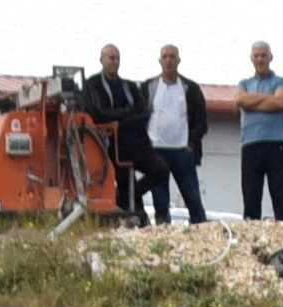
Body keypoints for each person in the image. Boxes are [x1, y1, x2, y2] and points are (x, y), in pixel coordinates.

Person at [76, 45, 149, 221]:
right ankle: (133, 213)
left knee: (160, 169)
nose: (114, 61)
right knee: (119, 178)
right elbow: (97, 113)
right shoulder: (92, 85)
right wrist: (125, 113)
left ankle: (129, 206)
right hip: (103, 143)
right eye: (111, 58)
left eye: (117, 58)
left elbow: (143, 112)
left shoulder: (129, 86)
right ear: (101, 59)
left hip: (130, 142)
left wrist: (118, 118)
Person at [145, 42, 210, 224]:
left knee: (193, 198)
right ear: (159, 60)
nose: (169, 60)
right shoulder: (149, 88)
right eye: (165, 56)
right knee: (160, 200)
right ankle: (162, 232)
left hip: (182, 151)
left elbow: (201, 120)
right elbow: (140, 118)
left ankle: (200, 230)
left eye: (172, 57)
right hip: (156, 151)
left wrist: (192, 143)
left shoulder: (190, 88)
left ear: (178, 60)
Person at [237, 40, 283, 219]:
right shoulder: (244, 83)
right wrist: (268, 99)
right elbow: (240, 100)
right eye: (256, 55)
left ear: (270, 57)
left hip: (277, 144)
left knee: (281, 194)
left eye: (263, 55)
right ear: (251, 59)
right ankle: (250, 233)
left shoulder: (281, 81)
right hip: (250, 144)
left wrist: (252, 101)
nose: (260, 59)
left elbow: (280, 102)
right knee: (251, 195)